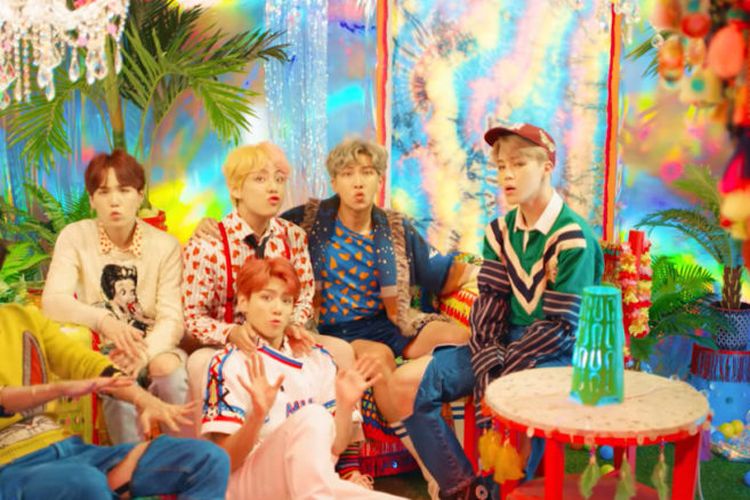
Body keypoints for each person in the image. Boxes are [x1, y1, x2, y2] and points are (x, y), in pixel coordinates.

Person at [388, 123, 604, 499]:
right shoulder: (499, 232)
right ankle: (465, 488)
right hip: (502, 346)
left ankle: (502, 489)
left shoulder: (573, 237)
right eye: (502, 166)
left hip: (556, 354)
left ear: (547, 166)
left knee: (517, 401)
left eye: (519, 164)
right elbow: (490, 304)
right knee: (406, 385)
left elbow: (562, 327)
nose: (507, 175)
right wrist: (490, 358)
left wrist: (505, 369)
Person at [0, 241, 230, 499]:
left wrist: (144, 400)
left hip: (71, 452)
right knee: (86, 483)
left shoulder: (22, 318)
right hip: (11, 469)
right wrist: (58, 389)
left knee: (207, 458)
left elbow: (87, 364)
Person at [281, 138, 475, 426]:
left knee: (459, 337)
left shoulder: (394, 226)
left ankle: (426, 399)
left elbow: (438, 271)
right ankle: (415, 437)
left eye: (367, 172)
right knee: (380, 358)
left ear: (379, 180)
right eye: (348, 174)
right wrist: (214, 228)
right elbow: (262, 229)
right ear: (334, 182)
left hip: (390, 323)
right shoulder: (307, 220)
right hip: (338, 331)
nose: (358, 183)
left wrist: (490, 271)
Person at [200, 257, 404, 499]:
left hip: (312, 484)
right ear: (243, 302)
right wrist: (256, 415)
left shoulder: (317, 357)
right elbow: (226, 462)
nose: (277, 309)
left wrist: (345, 404)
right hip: (251, 486)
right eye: (267, 298)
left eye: (286, 301)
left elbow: (336, 448)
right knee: (313, 415)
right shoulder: (228, 363)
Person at [42, 149, 188, 444]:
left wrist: (144, 354)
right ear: (91, 199)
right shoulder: (75, 236)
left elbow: (172, 320)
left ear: (140, 195)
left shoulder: (166, 246)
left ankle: (186, 456)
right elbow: (53, 301)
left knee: (169, 371)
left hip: (156, 345)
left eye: (124, 190)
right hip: (105, 349)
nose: (114, 201)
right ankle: (130, 462)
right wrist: (104, 321)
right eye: (104, 191)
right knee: (116, 374)